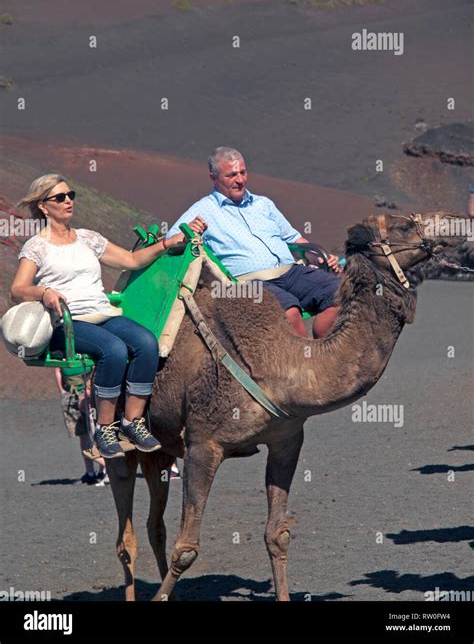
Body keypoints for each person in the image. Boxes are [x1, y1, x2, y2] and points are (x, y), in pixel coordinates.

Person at [11, 174, 177, 459]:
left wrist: (168, 244)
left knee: (147, 342)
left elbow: (132, 260)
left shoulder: (88, 238)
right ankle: (104, 427)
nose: (68, 201)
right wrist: (45, 292)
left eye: (70, 195)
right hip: (67, 323)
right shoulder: (37, 246)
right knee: (113, 350)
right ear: (43, 206)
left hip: (101, 313)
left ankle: (133, 422)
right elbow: (18, 289)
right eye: (59, 197)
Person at [166, 147, 341, 338]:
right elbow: (170, 240)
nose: (240, 180)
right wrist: (189, 232)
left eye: (243, 172)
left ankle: (322, 354)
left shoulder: (263, 203)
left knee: (342, 293)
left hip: (289, 271)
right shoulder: (203, 209)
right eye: (232, 175)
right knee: (290, 312)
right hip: (248, 282)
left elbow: (293, 239)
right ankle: (305, 365)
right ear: (214, 177)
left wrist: (318, 258)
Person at [54, 366, 108, 486]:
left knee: (95, 434)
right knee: (83, 435)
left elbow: (95, 368)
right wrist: (62, 391)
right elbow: (57, 369)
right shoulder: (62, 352)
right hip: (71, 395)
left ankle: (106, 470)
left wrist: (88, 392)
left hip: (88, 396)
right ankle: (90, 474)